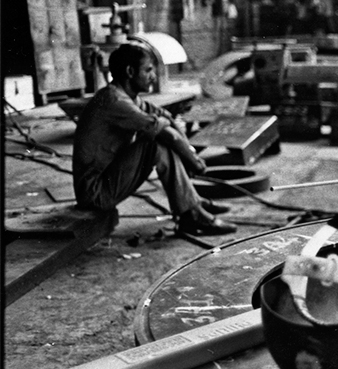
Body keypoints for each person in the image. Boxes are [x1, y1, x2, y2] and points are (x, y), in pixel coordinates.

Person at [73, 43, 236, 236]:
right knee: (154, 144)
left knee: (161, 136)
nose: (154, 76)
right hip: (94, 193)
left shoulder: (129, 97)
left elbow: (166, 118)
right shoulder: (113, 100)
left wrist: (187, 151)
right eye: (148, 70)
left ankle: (193, 205)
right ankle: (192, 213)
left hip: (107, 181)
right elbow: (166, 134)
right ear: (130, 71)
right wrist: (194, 161)